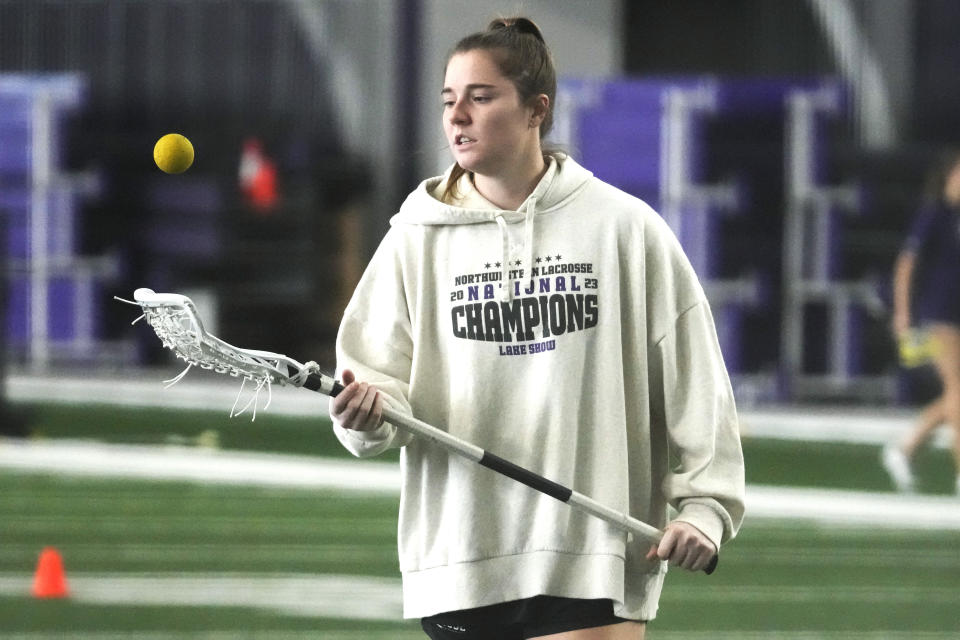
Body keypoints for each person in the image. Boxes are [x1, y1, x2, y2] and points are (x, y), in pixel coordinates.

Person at [330, 17, 745, 639]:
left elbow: (697, 382)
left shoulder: (625, 229)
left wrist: (705, 510)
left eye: (481, 96)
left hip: (593, 555)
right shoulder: (412, 239)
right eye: (449, 102)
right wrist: (366, 413)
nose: (458, 117)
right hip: (460, 556)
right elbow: (375, 386)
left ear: (536, 109)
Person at [885, 151, 960, 496]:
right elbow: (906, 265)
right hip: (938, 315)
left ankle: (905, 448)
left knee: (956, 394)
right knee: (957, 390)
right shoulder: (934, 215)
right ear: (947, 177)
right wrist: (902, 313)